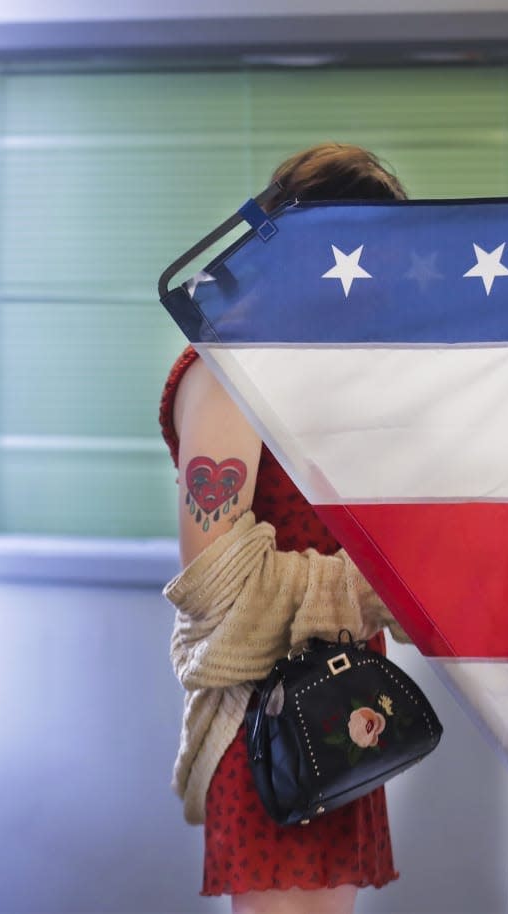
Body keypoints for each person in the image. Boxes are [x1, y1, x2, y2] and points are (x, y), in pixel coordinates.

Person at [160, 143, 410, 914]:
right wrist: (369, 587)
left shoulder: (325, 376)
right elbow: (219, 581)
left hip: (345, 707)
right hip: (270, 718)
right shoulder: (230, 373)